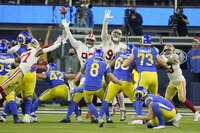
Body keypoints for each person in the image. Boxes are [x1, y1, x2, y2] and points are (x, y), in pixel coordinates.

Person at [0, 35, 65, 105]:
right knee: (6, 89)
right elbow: (13, 60)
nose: (29, 45)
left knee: (5, 88)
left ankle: (14, 100)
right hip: (20, 74)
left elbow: (48, 48)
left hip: (19, 73)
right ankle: (13, 100)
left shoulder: (31, 53)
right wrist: (3, 61)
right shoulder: (28, 53)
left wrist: (58, 44)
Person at [125, 34, 172, 125]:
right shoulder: (154, 50)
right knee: (154, 98)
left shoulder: (136, 50)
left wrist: (136, 62)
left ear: (141, 42)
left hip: (144, 75)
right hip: (154, 75)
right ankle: (155, 118)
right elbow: (162, 63)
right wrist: (169, 69)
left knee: (138, 96)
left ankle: (139, 117)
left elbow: (127, 63)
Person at [62, 19, 100, 121]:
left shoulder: (97, 49)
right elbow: (71, 38)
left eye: (91, 41)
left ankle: (102, 117)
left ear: (94, 42)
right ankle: (70, 116)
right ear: (85, 40)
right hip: (85, 75)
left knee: (99, 97)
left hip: (94, 75)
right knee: (80, 97)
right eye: (88, 40)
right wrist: (66, 28)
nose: (89, 42)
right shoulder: (80, 46)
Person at [98, 44, 138, 127]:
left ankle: (100, 117)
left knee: (106, 100)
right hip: (126, 82)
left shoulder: (119, 55)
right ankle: (140, 117)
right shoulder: (133, 59)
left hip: (115, 81)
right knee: (135, 100)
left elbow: (109, 65)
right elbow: (138, 69)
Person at [82, 49, 123, 122]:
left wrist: (86, 74)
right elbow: (112, 78)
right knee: (105, 101)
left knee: (89, 103)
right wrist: (119, 82)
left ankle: (98, 118)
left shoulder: (88, 60)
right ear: (102, 56)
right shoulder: (105, 65)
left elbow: (81, 69)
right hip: (98, 88)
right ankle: (108, 117)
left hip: (87, 87)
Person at [162, 43, 200, 122]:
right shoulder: (164, 57)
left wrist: (163, 60)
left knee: (182, 99)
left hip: (180, 81)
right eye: (166, 50)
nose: (167, 52)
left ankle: (196, 113)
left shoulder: (174, 56)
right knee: (167, 99)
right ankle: (177, 114)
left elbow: (172, 61)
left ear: (173, 50)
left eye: (169, 50)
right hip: (172, 82)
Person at [101, 9, 127, 119]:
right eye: (114, 33)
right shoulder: (107, 42)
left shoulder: (123, 46)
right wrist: (105, 21)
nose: (116, 34)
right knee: (106, 87)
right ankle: (114, 104)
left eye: (118, 33)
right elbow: (103, 32)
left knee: (118, 89)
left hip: (116, 70)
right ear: (111, 34)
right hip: (105, 69)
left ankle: (122, 109)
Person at [0, 42, 23, 124]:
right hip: (6, 78)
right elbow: (17, 63)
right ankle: (16, 118)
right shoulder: (9, 55)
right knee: (11, 98)